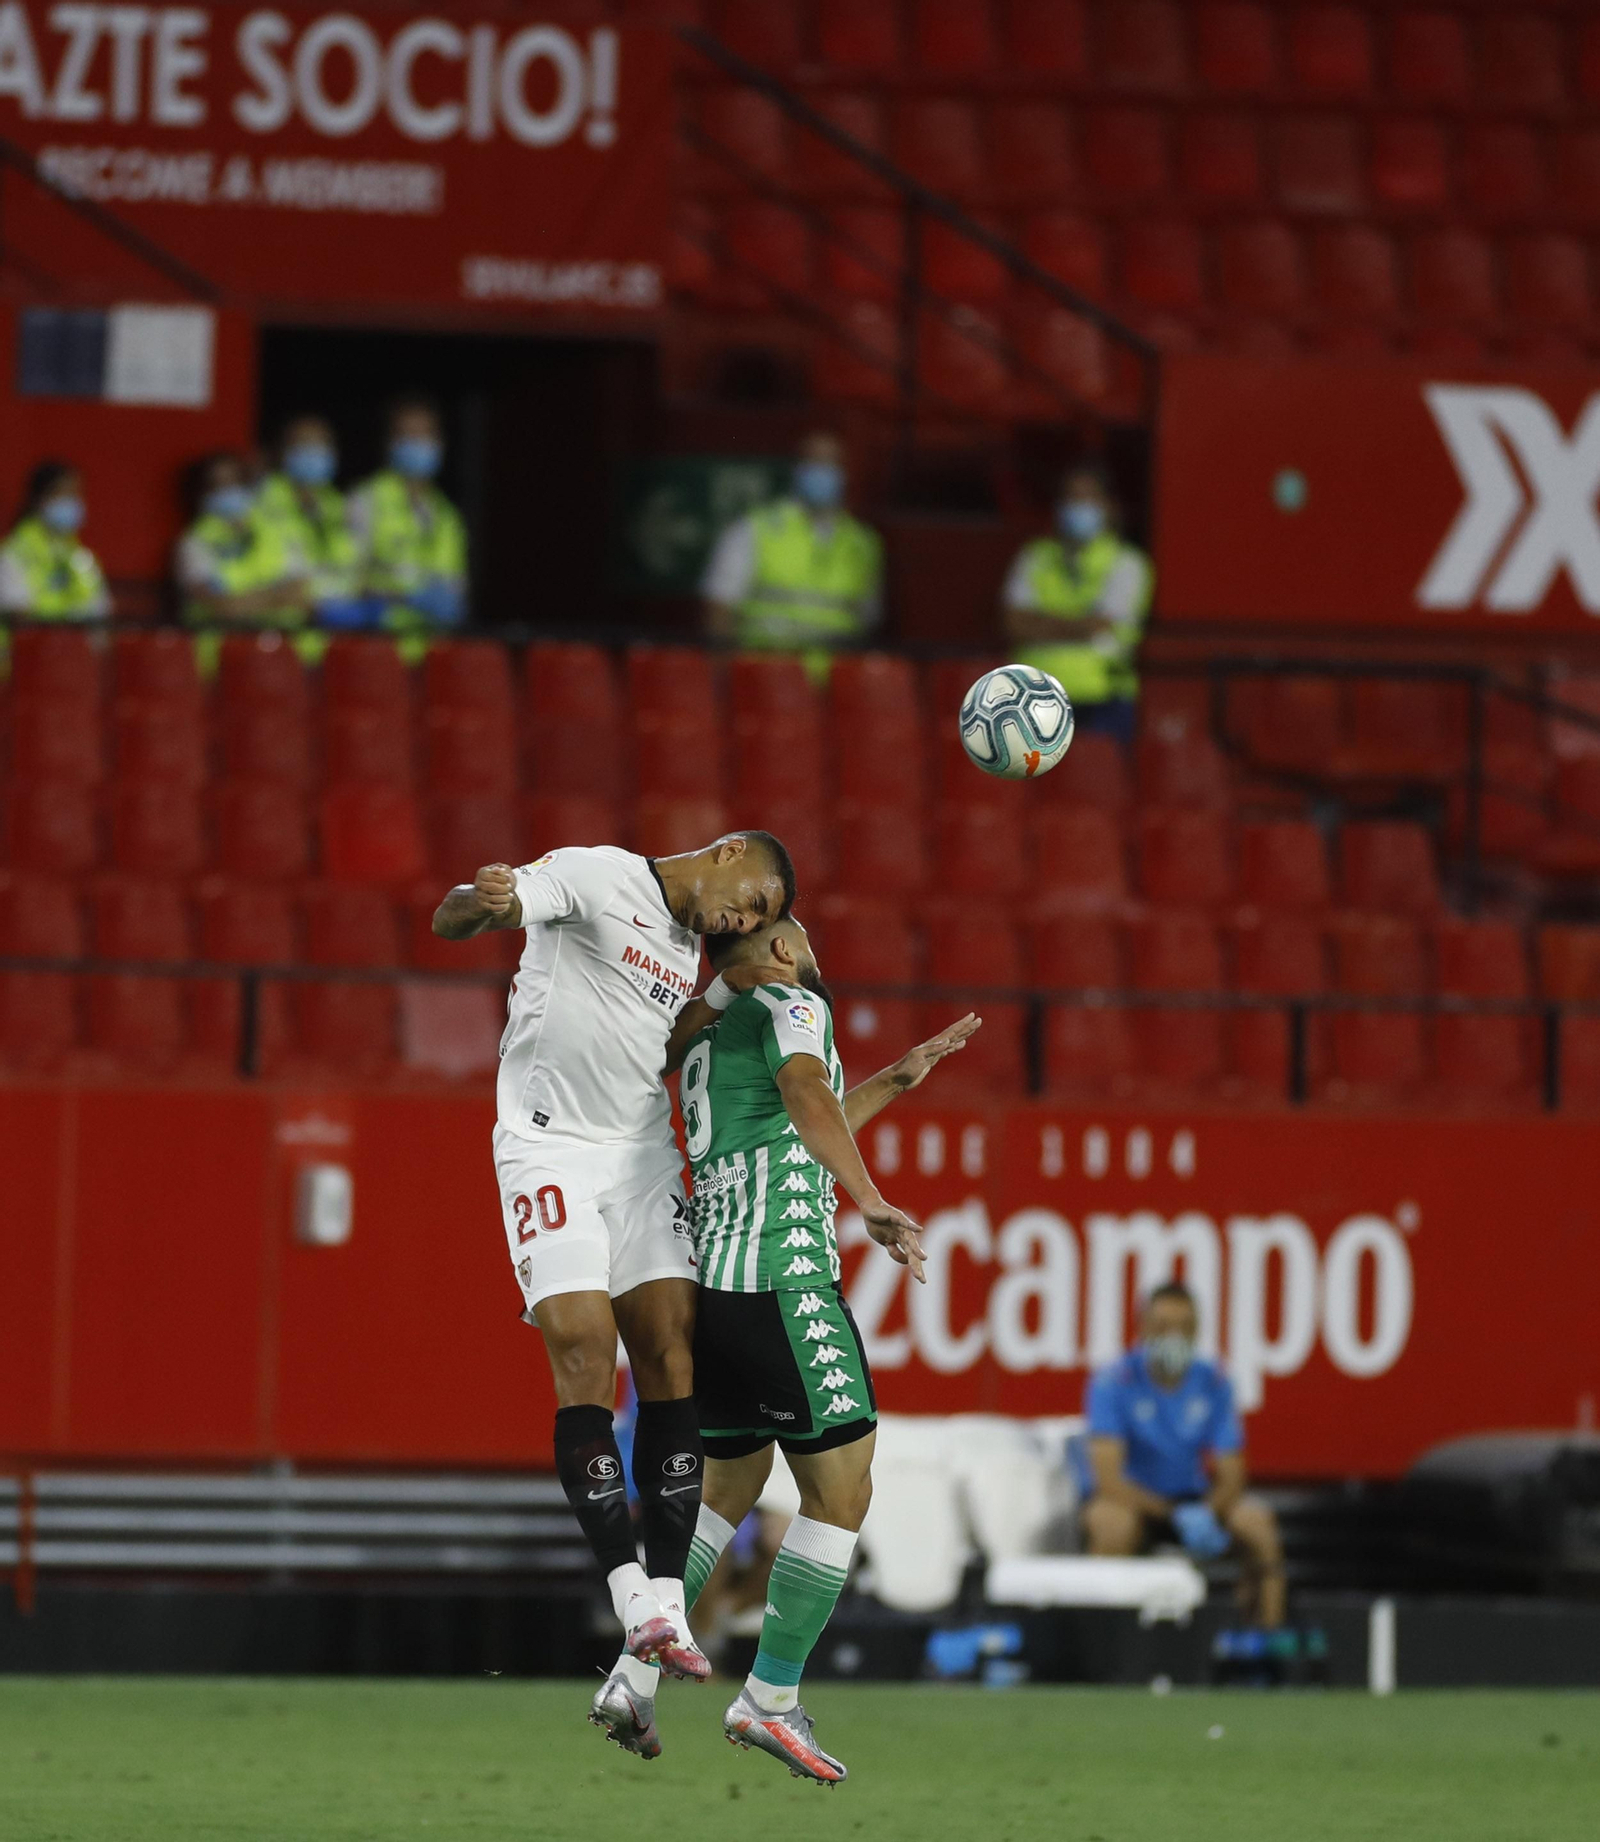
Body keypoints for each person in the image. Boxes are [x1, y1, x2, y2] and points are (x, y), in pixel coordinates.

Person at [593, 914, 980, 1783]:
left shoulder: (703, 1028)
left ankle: (631, 1675)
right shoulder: (789, 1001)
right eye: (802, 936)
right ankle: (768, 1699)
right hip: (785, 1281)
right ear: (773, 950)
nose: (812, 951)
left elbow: (781, 1123)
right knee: (843, 1490)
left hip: (717, 1287)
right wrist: (871, 1200)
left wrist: (897, 1077)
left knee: (727, 1490)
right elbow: (806, 1099)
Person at [430, 832, 798, 1712]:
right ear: (730, 850)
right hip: (548, 1149)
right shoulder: (597, 874)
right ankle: (628, 1590)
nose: (746, 921)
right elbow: (457, 918)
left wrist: (720, 989)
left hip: (640, 1159)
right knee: (587, 1353)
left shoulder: (685, 949)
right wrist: (483, 898)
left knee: (672, 1355)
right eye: (755, 900)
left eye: (760, 921)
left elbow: (656, 1054)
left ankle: (666, 1598)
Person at [1078, 1281, 1286, 1628]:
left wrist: (1208, 1511)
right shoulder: (1113, 1381)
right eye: (1162, 1327)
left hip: (1195, 1506)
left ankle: (1268, 1646)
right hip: (1136, 1504)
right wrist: (1172, 1514)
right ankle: (1100, 1641)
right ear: (1142, 1329)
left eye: (1185, 1328)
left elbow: (1232, 1472)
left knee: (1257, 1524)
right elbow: (1110, 1480)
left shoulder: (1214, 1381)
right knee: (1109, 1524)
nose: (1174, 1336)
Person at [701, 432, 882, 682]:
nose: (823, 472)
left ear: (845, 473)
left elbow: (867, 622)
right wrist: (723, 678)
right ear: (797, 469)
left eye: (831, 464)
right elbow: (719, 611)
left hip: (836, 685)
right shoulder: (754, 531)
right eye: (814, 463)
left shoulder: (863, 543)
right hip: (765, 680)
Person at [1001, 463, 1153, 746]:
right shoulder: (1035, 556)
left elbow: (1099, 627)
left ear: (1109, 507)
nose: (1079, 506)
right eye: (1072, 498)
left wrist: (1041, 623)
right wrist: (1079, 625)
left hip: (1103, 701)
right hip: (1032, 700)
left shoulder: (1127, 563)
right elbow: (1014, 623)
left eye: (1089, 498)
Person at [348, 396, 467, 662]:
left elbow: (456, 592)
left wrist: (452, 603)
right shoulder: (365, 502)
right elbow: (345, 584)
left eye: (424, 434)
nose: (418, 443)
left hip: (436, 655)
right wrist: (405, 598)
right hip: (379, 652)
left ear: (439, 443)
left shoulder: (447, 516)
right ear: (391, 443)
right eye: (408, 434)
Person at [175, 451, 313, 673]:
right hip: (223, 662)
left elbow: (302, 597)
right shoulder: (194, 543)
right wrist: (276, 595)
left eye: (234, 482)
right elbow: (225, 608)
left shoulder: (280, 530)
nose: (227, 491)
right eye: (217, 485)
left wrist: (245, 601)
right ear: (201, 494)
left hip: (287, 657)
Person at [253, 415, 364, 641]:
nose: (313, 453)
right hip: (273, 638)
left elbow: (354, 570)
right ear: (281, 452)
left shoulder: (338, 506)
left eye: (321, 445)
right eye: (303, 444)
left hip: (332, 641)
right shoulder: (257, 502)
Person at [0, 461, 111, 622]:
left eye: (76, 494)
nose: (73, 501)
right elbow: (18, 618)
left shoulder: (82, 559)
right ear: (39, 499)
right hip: (23, 647)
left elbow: (102, 618)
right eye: (63, 493)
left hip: (76, 647)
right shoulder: (11, 555)